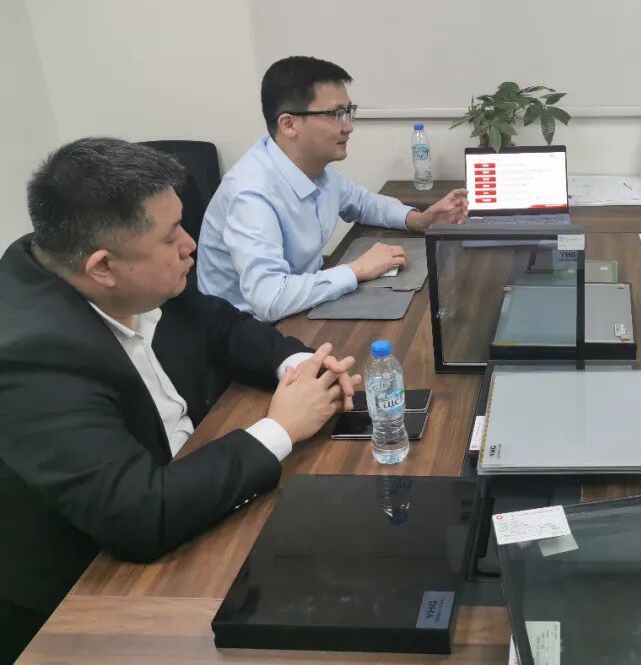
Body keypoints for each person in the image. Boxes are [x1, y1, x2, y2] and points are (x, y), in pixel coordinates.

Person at [0, 139, 360, 662]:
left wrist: (298, 365)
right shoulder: (30, 357)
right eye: (172, 237)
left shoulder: (119, 270)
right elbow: (140, 513)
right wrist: (282, 427)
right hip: (92, 601)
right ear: (104, 268)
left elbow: (220, 324)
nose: (191, 245)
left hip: (195, 488)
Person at [196, 56, 468, 322]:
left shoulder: (315, 169)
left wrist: (419, 220)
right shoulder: (251, 194)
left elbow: (363, 203)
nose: (348, 126)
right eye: (335, 114)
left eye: (349, 111)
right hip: (246, 330)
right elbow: (269, 299)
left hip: (299, 303)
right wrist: (357, 269)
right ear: (289, 124)